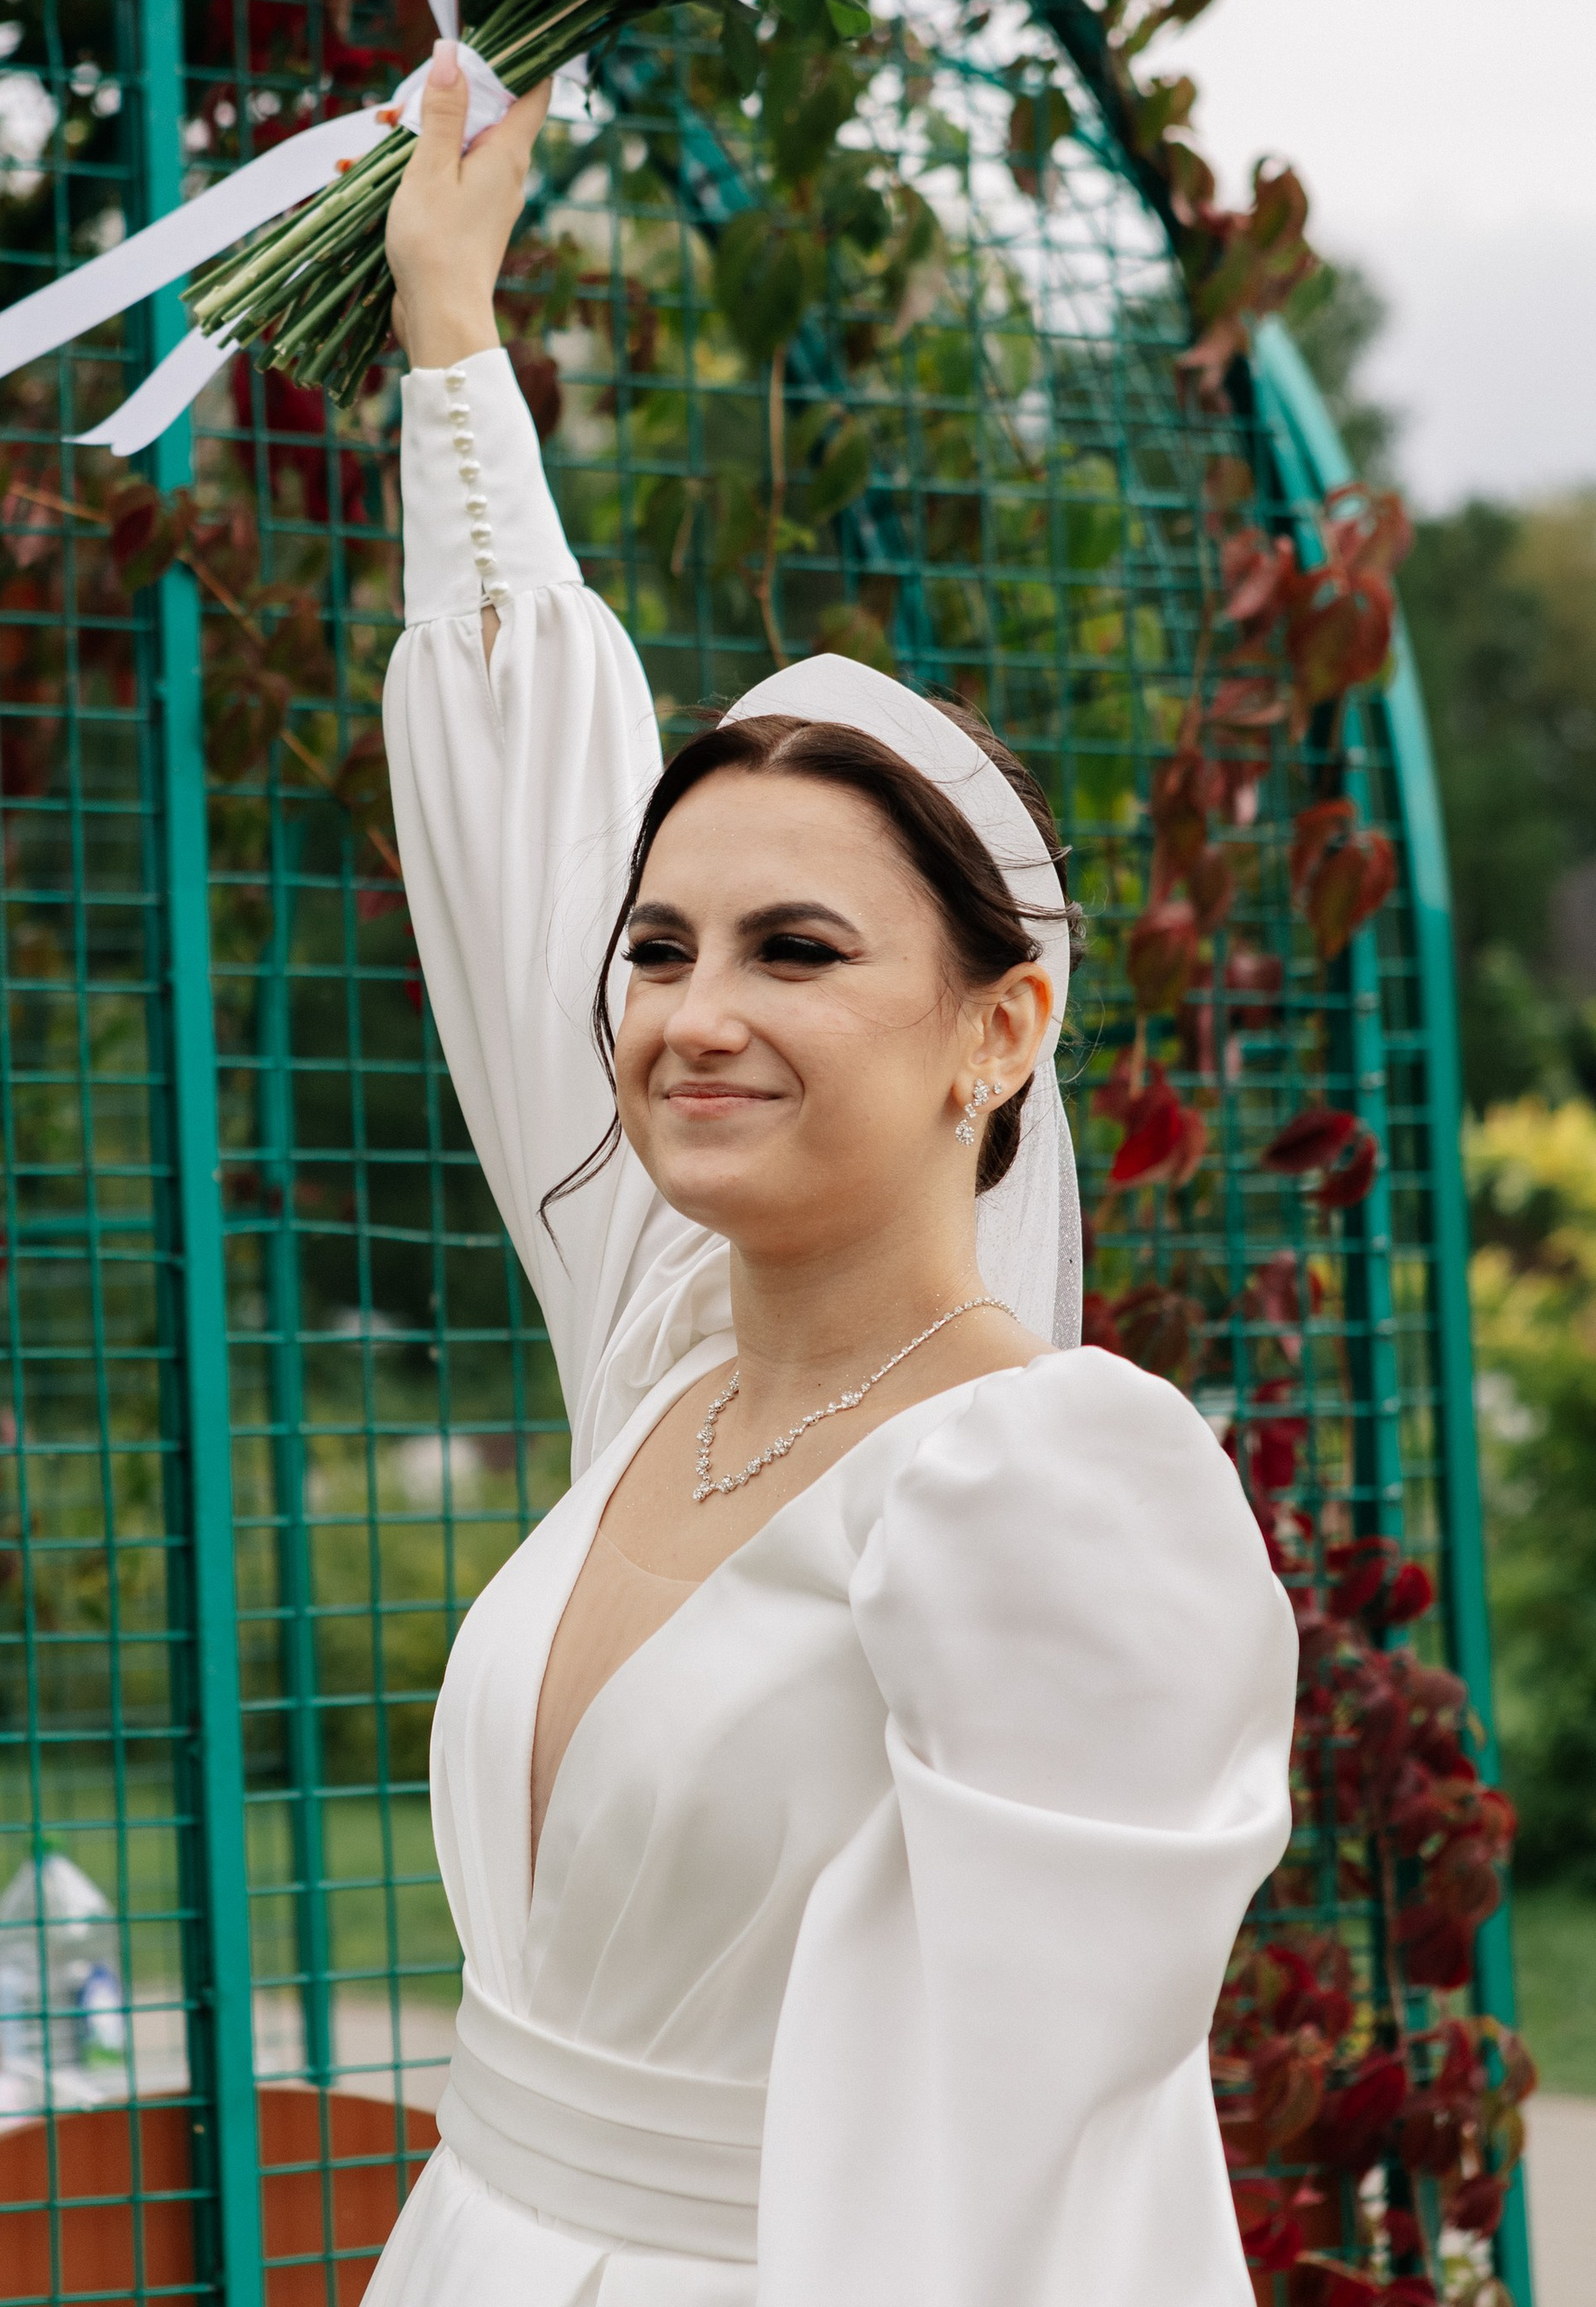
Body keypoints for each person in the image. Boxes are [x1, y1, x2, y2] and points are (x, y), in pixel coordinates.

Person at [362, 41, 1300, 2307]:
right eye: (661, 945)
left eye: (798, 948)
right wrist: (448, 341)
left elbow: (1020, 2159)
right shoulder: (660, 1356)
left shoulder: (1052, 1480)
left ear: (1002, 1024)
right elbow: (515, 798)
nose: (695, 1011)